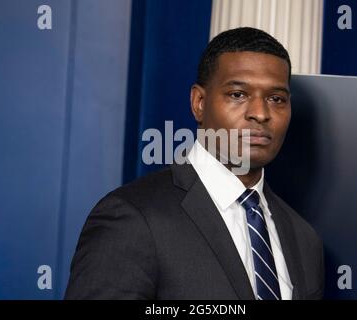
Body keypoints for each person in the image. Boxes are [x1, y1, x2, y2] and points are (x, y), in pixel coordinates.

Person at [65, 27, 324, 300]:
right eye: (238, 94)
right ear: (199, 103)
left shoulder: (304, 240)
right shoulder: (133, 219)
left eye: (276, 99)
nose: (260, 113)